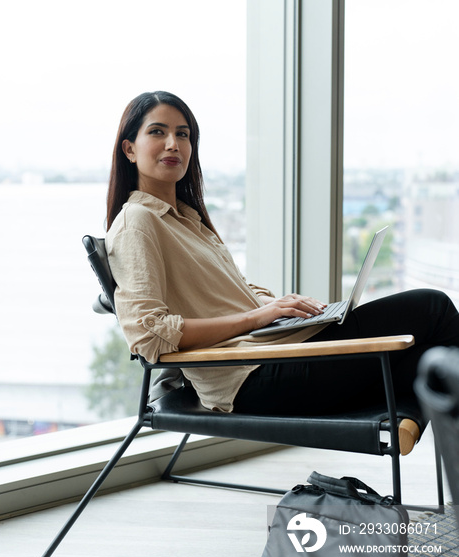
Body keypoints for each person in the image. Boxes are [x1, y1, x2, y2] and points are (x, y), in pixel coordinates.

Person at [105, 91, 459, 453]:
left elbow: (230, 292)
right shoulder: (138, 222)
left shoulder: (187, 219)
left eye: (183, 134)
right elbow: (149, 336)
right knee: (432, 308)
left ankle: (405, 422)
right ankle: (405, 421)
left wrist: (279, 308)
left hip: (278, 352)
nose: (173, 144)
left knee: (429, 356)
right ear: (130, 149)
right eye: (158, 132)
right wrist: (256, 318)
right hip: (252, 378)